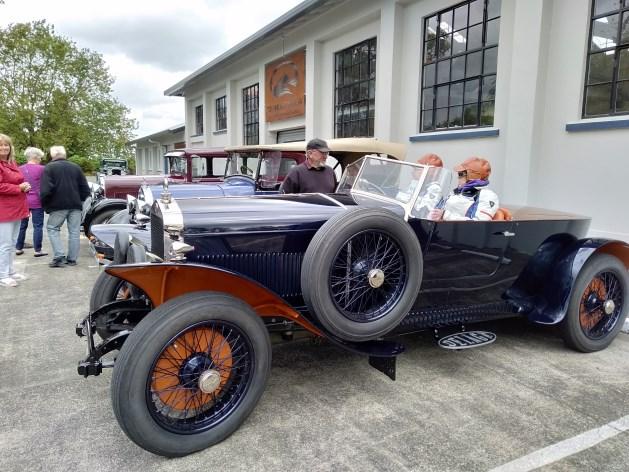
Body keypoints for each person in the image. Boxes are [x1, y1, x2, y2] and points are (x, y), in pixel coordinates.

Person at [40, 145, 91, 268]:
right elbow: (85, 189)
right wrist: (79, 200)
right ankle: (72, 259)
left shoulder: (49, 168)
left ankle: (59, 257)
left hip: (58, 205)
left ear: (52, 155)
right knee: (74, 232)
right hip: (75, 204)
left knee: (52, 228)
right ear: (64, 154)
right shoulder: (76, 167)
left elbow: (46, 190)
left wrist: (45, 204)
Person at [0, 133, 31, 287]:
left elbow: (17, 181)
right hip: (4, 210)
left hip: (16, 207)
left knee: (12, 242)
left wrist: (24, 186)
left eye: (6, 144)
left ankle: (10, 271)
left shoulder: (11, 162)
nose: (4, 147)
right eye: (0, 145)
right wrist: (18, 188)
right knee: (4, 244)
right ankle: (2, 275)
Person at [429, 157, 499, 221]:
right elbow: (437, 209)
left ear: (472, 175)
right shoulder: (457, 192)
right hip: (441, 228)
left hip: (460, 230)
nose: (458, 177)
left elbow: (479, 223)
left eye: (460, 174)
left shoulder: (487, 195)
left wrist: (445, 215)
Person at [15, 147, 48, 257]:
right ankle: (37, 250)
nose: (40, 160)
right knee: (37, 226)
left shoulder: (19, 169)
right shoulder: (42, 169)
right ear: (36, 157)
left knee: (22, 225)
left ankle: (18, 248)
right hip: (37, 201)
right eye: (40, 158)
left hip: (23, 200)